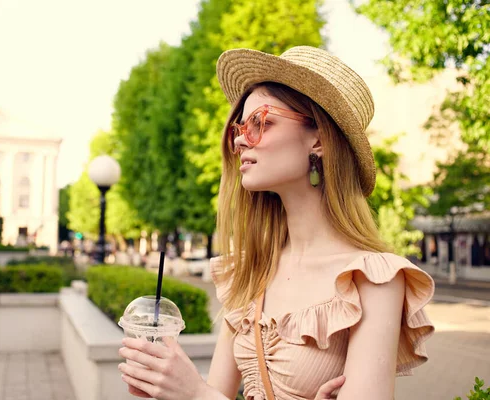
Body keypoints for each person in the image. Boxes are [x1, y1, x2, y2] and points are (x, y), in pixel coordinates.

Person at [118, 46, 435, 400]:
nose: (240, 139)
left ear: (319, 139)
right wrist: (167, 387)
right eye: (240, 128)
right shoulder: (250, 269)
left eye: (261, 123)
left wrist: (195, 394)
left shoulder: (373, 279)